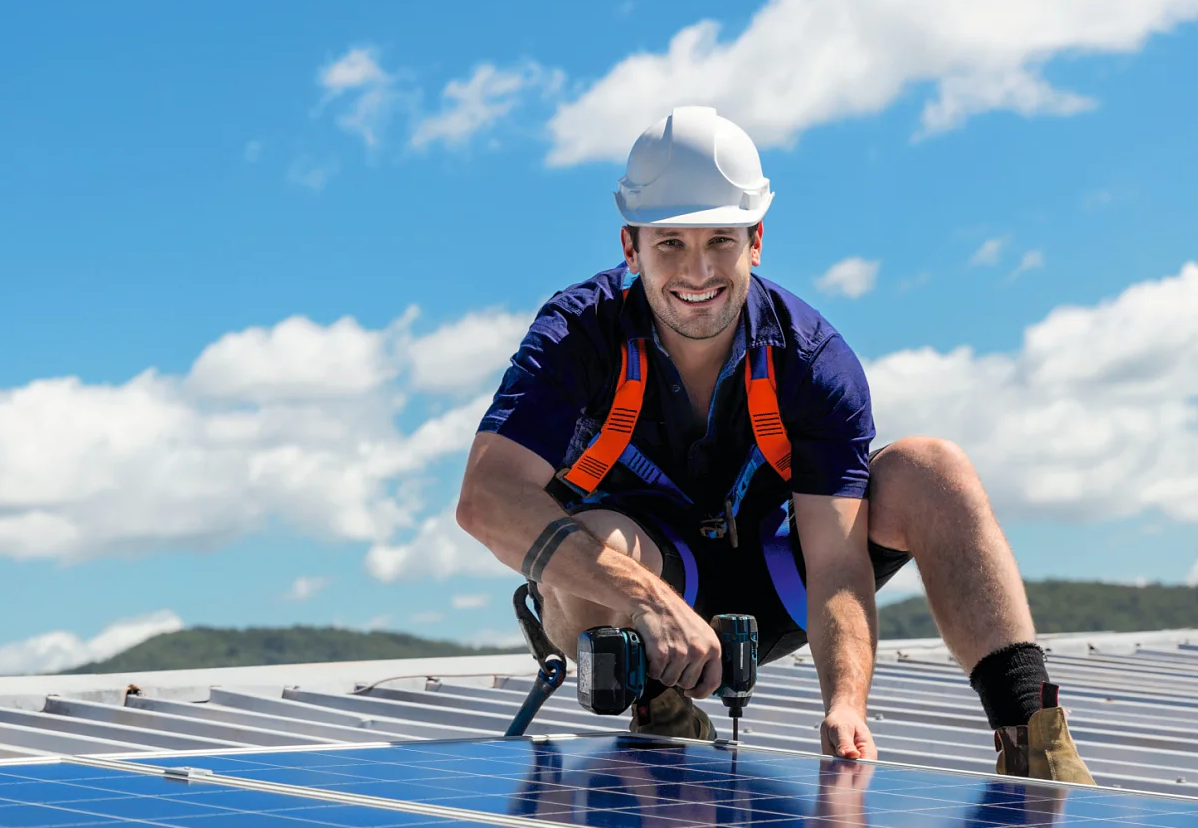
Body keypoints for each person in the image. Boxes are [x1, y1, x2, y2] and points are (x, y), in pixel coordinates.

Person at [454, 106, 1092, 782]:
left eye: (719, 242)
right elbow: (486, 500)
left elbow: (839, 565)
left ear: (755, 241)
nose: (696, 273)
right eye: (670, 243)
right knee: (601, 538)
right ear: (629, 247)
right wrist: (650, 601)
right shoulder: (576, 336)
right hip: (637, 597)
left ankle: (1035, 742)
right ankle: (662, 708)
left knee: (932, 468)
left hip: (780, 581)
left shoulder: (812, 360)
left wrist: (847, 704)